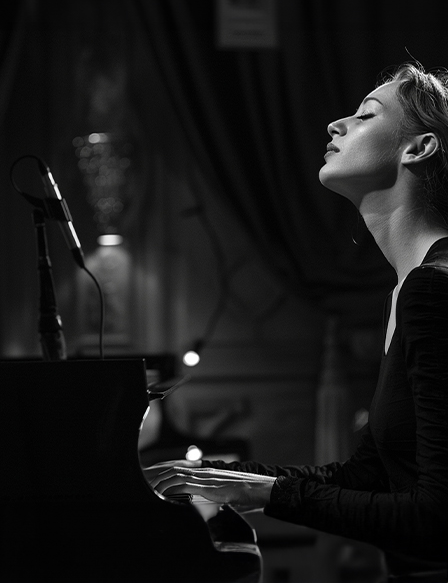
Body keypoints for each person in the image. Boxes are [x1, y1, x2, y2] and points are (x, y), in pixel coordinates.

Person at [146, 62, 448, 583]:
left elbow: (438, 520)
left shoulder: (432, 291)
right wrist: (226, 476)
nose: (336, 124)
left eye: (365, 116)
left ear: (418, 149)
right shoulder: (408, 290)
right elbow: (369, 476)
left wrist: (268, 493)